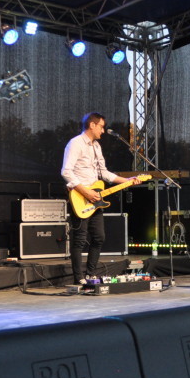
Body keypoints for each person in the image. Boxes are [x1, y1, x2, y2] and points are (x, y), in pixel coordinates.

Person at [61, 113, 139, 285]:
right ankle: (78, 278)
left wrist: (128, 181)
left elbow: (104, 173)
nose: (103, 131)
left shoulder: (96, 146)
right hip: (80, 197)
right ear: (92, 125)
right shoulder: (75, 143)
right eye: (101, 127)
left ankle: (90, 275)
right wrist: (85, 192)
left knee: (99, 237)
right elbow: (66, 171)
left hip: (95, 198)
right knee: (80, 239)